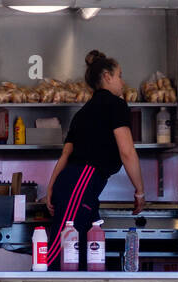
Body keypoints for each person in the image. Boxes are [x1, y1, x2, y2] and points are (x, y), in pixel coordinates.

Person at [45, 50, 144, 269]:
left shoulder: (83, 112)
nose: (123, 81)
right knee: (61, 254)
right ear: (107, 76)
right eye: (120, 75)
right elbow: (127, 151)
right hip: (82, 182)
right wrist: (140, 191)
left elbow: (65, 155)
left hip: (77, 183)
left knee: (87, 256)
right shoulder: (116, 105)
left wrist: (51, 187)